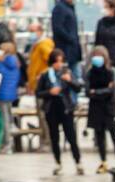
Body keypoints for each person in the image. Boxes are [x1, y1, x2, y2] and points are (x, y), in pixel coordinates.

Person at [35, 46, 83, 174]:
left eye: (61, 61)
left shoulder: (66, 72)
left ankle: (78, 162)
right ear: (52, 62)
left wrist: (70, 81)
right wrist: (50, 92)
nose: (59, 64)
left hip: (66, 107)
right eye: (56, 61)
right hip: (51, 108)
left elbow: (78, 87)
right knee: (54, 137)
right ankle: (58, 162)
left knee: (71, 136)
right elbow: (38, 93)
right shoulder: (46, 75)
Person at [86, 44, 115, 172]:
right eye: (95, 56)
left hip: (109, 108)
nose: (97, 59)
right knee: (100, 137)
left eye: (100, 56)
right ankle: (103, 162)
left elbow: (112, 91)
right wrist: (103, 91)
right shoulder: (89, 72)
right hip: (96, 109)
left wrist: (96, 92)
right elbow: (88, 91)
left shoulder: (111, 72)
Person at [0, 40, 21, 153]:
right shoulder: (15, 62)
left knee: (4, 119)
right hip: (11, 93)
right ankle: (9, 143)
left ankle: (6, 144)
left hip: (2, 94)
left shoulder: (1, 63)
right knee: (8, 118)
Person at [51, 0, 83, 81]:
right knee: (65, 81)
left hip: (73, 53)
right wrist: (71, 39)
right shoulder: (59, 8)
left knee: (75, 81)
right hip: (65, 52)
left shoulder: (70, 8)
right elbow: (57, 28)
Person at [94, 1, 115, 68]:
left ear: (112, 8)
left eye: (106, 7)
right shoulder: (101, 23)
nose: (104, 10)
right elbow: (97, 41)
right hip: (102, 60)